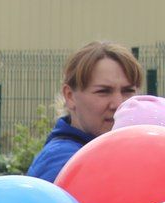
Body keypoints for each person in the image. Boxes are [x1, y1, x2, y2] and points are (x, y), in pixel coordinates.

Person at [27, 42, 142, 182]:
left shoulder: (115, 150)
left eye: (128, 91)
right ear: (69, 96)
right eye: (103, 91)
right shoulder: (64, 162)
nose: (119, 104)